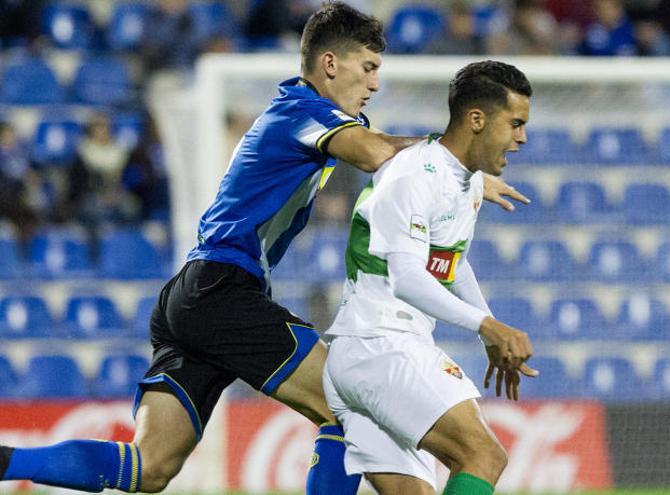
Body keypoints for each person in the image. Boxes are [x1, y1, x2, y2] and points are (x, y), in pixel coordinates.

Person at [0, 3, 526, 494]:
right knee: (349, 403)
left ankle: (6, 463)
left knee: (150, 467)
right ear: (329, 63)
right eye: (366, 67)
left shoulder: (313, 118)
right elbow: (377, 154)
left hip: (191, 296)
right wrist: (462, 160)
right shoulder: (300, 109)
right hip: (223, 289)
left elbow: (382, 157)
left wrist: (466, 181)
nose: (375, 82)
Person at [322, 60, 538, 495]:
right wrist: (487, 326)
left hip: (373, 351)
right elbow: (407, 278)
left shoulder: (467, 182)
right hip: (380, 345)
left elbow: (450, 264)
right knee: (483, 455)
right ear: (477, 119)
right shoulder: (411, 176)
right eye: (514, 124)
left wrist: (487, 332)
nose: (522, 138)